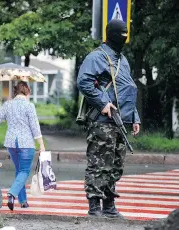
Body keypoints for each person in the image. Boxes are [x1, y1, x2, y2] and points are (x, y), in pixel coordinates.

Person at [77, 19, 141, 218]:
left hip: (121, 121)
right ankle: (94, 208)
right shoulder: (97, 57)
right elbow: (84, 81)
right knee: (98, 163)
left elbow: (127, 88)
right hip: (102, 122)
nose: (123, 37)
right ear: (110, 33)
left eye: (125, 33)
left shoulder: (122, 59)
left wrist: (135, 117)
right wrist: (103, 103)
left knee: (115, 164)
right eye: (120, 33)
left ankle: (109, 205)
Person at [0, 81, 45, 210]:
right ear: (27, 91)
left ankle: (23, 202)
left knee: (19, 171)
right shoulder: (29, 106)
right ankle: (12, 193)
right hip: (26, 143)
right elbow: (35, 127)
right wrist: (41, 145)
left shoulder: (8, 104)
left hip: (11, 143)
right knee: (24, 171)